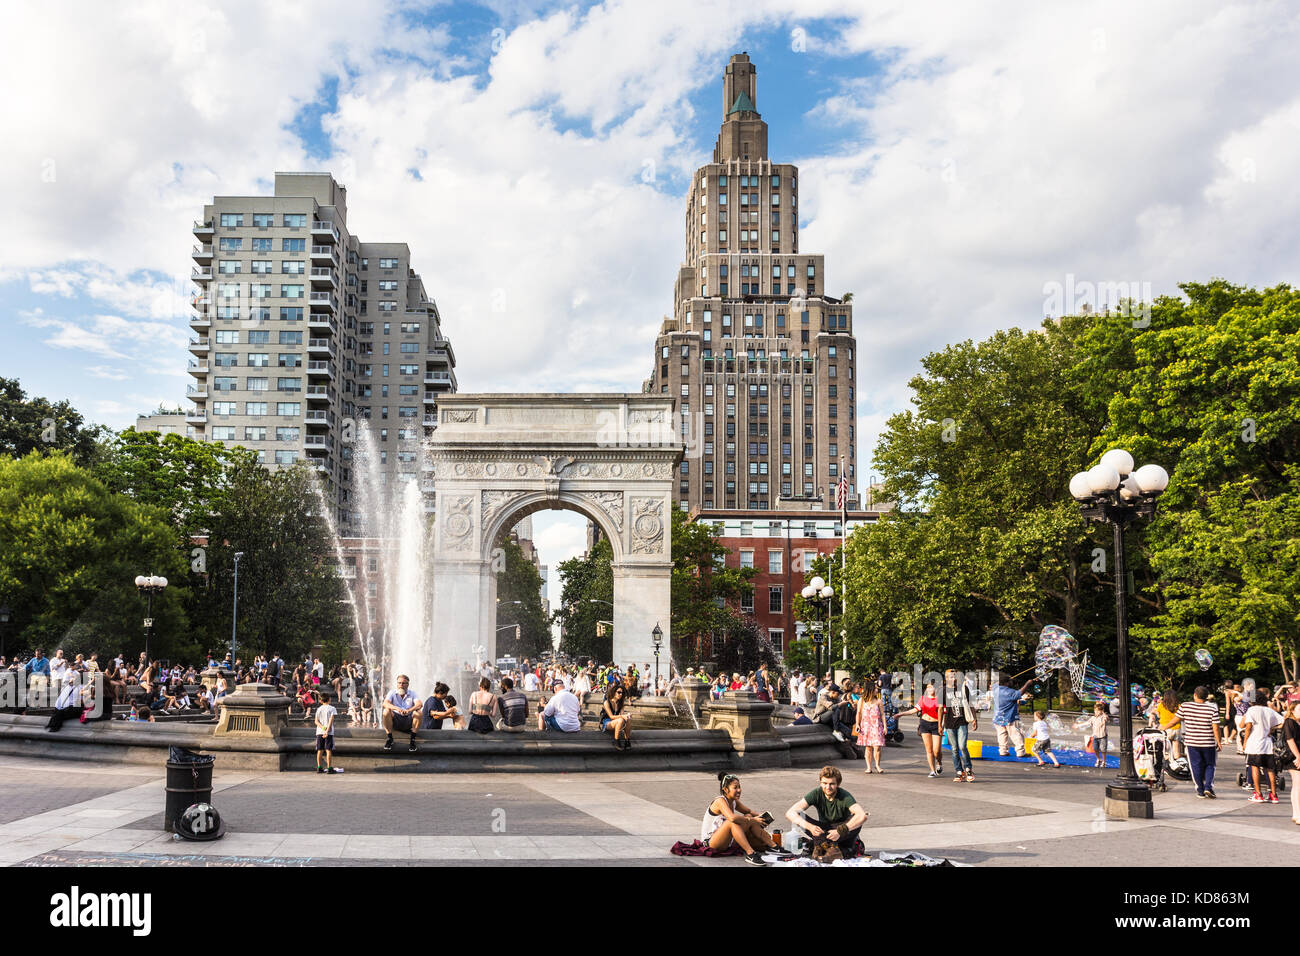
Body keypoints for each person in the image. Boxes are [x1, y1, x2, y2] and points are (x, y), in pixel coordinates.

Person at [784, 765, 868, 859]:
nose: (828, 787)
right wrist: (810, 827)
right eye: (824, 783)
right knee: (798, 814)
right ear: (820, 783)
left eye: (832, 784)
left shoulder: (844, 795)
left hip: (841, 832)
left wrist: (839, 831)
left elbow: (862, 816)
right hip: (823, 831)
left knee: (856, 819)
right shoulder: (816, 793)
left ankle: (824, 846)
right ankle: (827, 847)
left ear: (838, 784)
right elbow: (790, 813)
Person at [703, 772, 776, 866]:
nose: (739, 790)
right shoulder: (719, 801)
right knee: (732, 822)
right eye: (735, 787)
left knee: (748, 816)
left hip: (727, 840)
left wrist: (761, 816)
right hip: (711, 842)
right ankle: (750, 854)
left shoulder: (733, 801)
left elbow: (748, 811)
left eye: (739, 787)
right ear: (725, 789)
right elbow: (732, 818)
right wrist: (754, 820)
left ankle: (774, 846)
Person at [1160, 685, 1221, 798]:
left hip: (1192, 742)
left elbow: (1175, 721)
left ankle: (1200, 790)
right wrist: (1219, 741)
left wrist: (1162, 728)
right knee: (1210, 765)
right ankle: (1208, 787)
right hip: (1208, 742)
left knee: (1195, 766)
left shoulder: (1185, 706)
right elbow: (1216, 728)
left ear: (1194, 695)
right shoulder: (1212, 708)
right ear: (1207, 697)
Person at [1241, 689, 1282, 804]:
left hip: (1254, 743)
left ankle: (1258, 794)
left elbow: (1248, 727)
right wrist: (1271, 729)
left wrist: (1245, 742)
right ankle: (1273, 795)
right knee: (1270, 770)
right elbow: (1283, 722)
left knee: (1254, 768)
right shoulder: (1269, 710)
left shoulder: (1252, 710)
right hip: (1267, 744)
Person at [898, 682, 944, 776]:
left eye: (931, 687)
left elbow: (944, 715)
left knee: (936, 751)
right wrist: (901, 714)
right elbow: (914, 710)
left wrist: (942, 726)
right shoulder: (923, 699)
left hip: (936, 725)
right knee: (929, 750)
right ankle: (932, 770)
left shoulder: (939, 699)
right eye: (928, 687)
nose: (929, 689)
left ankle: (939, 762)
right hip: (925, 724)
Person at [942, 669, 978, 782]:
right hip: (949, 723)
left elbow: (970, 704)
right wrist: (940, 724)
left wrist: (975, 719)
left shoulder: (963, 688)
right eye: (950, 677)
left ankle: (968, 769)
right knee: (954, 748)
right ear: (946, 678)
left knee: (962, 746)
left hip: (962, 721)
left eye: (954, 676)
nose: (952, 678)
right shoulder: (942, 691)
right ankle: (959, 771)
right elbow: (940, 709)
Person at [992, 672, 1034, 757]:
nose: (1012, 682)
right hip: (1009, 718)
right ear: (1006, 683)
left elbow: (996, 683)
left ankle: (1003, 751)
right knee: (1016, 735)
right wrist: (1027, 684)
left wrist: (1006, 678)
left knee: (1002, 735)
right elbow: (1020, 692)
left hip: (998, 718)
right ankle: (1020, 752)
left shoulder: (995, 689)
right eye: (1010, 681)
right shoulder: (1010, 692)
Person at [382, 675, 423, 752]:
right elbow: (385, 703)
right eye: (399, 683)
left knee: (419, 712)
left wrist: (409, 710)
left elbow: (420, 704)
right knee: (386, 711)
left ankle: (412, 740)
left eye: (404, 683)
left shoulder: (413, 693)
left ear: (408, 684)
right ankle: (390, 738)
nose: (401, 685)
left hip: (408, 720)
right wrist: (397, 709)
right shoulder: (392, 692)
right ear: (397, 684)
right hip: (396, 720)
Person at [855, 682, 886, 773]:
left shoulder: (878, 701)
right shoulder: (861, 701)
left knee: (877, 747)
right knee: (868, 747)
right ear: (870, 690)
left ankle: (877, 765)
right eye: (875, 688)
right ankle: (869, 767)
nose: (877, 690)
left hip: (877, 726)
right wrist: (857, 724)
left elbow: (883, 714)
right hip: (865, 726)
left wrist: (885, 727)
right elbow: (858, 713)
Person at [1280, 700, 1300, 825]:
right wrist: (1298, 756)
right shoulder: (1289, 722)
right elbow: (1290, 740)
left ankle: (1296, 813)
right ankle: (1297, 814)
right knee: (1298, 784)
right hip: (1292, 756)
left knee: (1298, 785)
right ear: (1292, 710)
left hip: (1298, 756)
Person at [315, 693, 342, 774]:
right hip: (329, 733)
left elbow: (316, 721)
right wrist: (327, 731)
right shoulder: (332, 708)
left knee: (320, 750)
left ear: (321, 700)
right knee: (328, 750)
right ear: (329, 699)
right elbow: (331, 720)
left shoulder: (319, 709)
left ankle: (319, 767)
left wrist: (323, 728)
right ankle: (329, 768)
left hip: (319, 732)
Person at [600, 682, 632, 750]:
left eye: (622, 693)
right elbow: (611, 717)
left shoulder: (621, 703)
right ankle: (616, 741)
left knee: (628, 719)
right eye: (619, 692)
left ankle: (627, 741)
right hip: (607, 722)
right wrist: (622, 716)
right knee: (620, 720)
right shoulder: (607, 702)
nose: (621, 694)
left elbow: (622, 715)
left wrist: (626, 716)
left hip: (617, 721)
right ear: (614, 692)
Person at [1090, 701, 1110, 769]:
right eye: (1095, 710)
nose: (1096, 712)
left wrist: (1103, 711)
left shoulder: (1103, 717)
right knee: (1095, 749)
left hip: (1102, 736)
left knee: (1103, 750)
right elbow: (1087, 723)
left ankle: (1104, 761)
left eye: (1098, 711)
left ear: (1101, 711)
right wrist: (1078, 725)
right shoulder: (1093, 718)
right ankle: (1098, 759)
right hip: (1095, 736)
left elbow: (1107, 718)